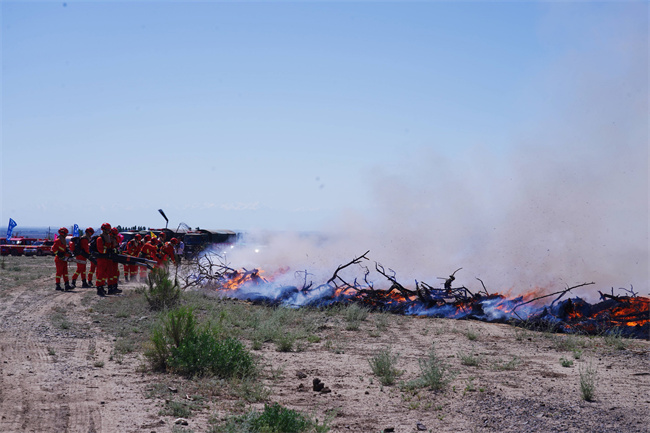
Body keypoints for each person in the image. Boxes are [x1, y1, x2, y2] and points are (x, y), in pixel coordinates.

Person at [51, 227, 72, 291]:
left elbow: (64, 248)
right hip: (59, 259)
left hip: (64, 259)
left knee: (65, 272)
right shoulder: (58, 240)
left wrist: (68, 251)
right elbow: (54, 249)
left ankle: (67, 285)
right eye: (66, 234)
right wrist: (59, 254)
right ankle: (58, 285)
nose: (66, 235)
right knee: (59, 273)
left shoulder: (63, 240)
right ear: (63, 233)